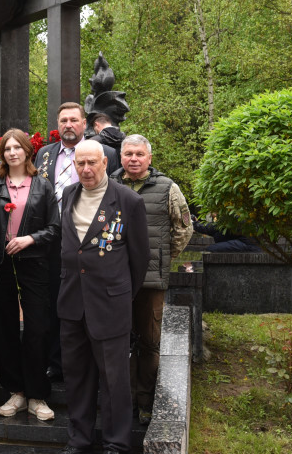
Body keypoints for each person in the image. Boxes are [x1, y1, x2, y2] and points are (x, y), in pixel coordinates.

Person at [58, 140, 150, 454]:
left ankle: (116, 442)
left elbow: (139, 260)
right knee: (76, 377)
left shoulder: (128, 200)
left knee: (114, 381)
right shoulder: (69, 195)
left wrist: (120, 294)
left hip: (110, 305)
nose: (85, 169)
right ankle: (79, 438)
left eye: (91, 163)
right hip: (72, 302)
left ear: (105, 163)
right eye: (79, 163)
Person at [109, 134, 194, 424]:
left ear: (149, 158)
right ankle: (122, 402)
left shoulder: (167, 187)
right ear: (120, 157)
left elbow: (184, 228)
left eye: (139, 154)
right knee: (117, 341)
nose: (133, 159)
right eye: (128, 153)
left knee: (149, 342)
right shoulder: (108, 184)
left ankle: (145, 401)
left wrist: (161, 256)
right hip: (114, 279)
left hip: (150, 281)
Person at [34, 102, 121, 381]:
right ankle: (56, 361)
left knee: (88, 300)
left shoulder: (104, 153)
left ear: (85, 124)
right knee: (55, 301)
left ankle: (92, 362)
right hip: (50, 239)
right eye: (63, 120)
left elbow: (115, 193)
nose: (68, 125)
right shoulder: (43, 155)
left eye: (74, 120)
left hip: (91, 240)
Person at [0, 129, 60, 422]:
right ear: (2, 154)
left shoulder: (43, 186)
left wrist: (30, 239)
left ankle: (37, 394)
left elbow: (55, 227)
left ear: (28, 151)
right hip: (1, 265)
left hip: (35, 263)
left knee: (38, 328)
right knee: (4, 328)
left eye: (17, 147)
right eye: (7, 148)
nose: (12, 152)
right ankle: (15, 390)